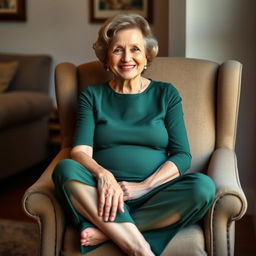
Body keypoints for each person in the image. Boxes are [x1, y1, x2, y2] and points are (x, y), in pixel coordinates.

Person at [52, 13, 216, 256]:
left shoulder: (166, 94)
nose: (127, 58)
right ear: (106, 56)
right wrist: (104, 175)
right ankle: (140, 250)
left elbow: (182, 155)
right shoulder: (92, 96)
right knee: (64, 169)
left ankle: (106, 231)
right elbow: (81, 151)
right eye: (118, 50)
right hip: (100, 194)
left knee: (203, 187)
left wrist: (144, 186)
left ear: (146, 55)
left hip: (154, 194)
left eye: (135, 49)